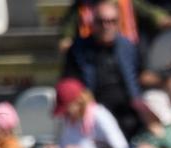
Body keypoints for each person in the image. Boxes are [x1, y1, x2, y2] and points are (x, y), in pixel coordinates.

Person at [62, 0, 145, 138]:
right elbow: (69, 82)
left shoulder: (129, 47)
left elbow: (141, 75)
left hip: (128, 111)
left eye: (112, 21)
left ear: (118, 23)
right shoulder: (78, 49)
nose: (107, 26)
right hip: (94, 112)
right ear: (93, 23)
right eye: (101, 21)